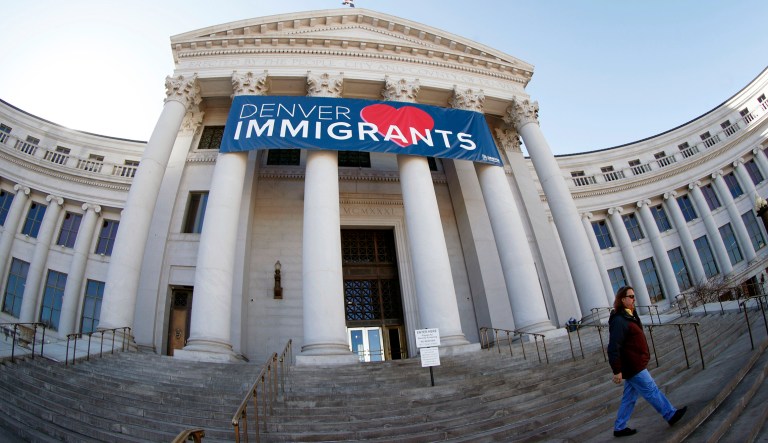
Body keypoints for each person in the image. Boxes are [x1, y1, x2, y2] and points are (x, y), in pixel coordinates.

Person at [607, 286, 687, 437]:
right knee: (651, 389)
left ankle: (619, 427)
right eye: (630, 296)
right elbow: (613, 347)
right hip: (633, 365)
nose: (633, 299)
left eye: (633, 296)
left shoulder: (629, 315)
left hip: (635, 363)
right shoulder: (619, 320)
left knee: (629, 398)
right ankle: (670, 414)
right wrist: (617, 370)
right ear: (622, 299)